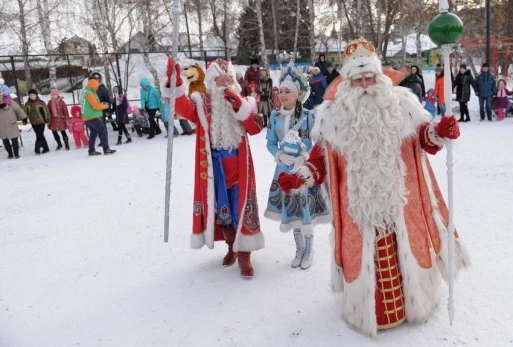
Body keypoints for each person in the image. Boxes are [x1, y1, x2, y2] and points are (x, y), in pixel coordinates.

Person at [277, 39, 469, 337]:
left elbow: (424, 137)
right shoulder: (333, 117)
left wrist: (439, 132)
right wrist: (301, 175)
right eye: (358, 79)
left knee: (409, 248)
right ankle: (367, 310)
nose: (365, 84)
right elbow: (320, 160)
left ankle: (417, 301)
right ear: (347, 81)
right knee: (365, 257)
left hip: (402, 202)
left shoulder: (403, 105)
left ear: (379, 77)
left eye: (369, 77)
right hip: (358, 206)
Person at [161, 58, 264, 279]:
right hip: (213, 170)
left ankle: (244, 254)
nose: (225, 83)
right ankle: (230, 246)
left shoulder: (245, 101)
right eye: (220, 79)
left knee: (240, 208)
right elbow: (180, 107)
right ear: (211, 82)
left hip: (239, 168)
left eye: (228, 78)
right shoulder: (202, 104)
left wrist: (236, 102)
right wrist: (174, 83)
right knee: (220, 210)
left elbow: (255, 127)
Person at [265, 62, 329, 270]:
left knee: (306, 210)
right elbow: (271, 142)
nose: (282, 95)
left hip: (304, 171)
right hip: (284, 170)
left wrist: (304, 157)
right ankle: (299, 249)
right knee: (292, 211)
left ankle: (309, 249)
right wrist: (280, 155)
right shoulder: (275, 117)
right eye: (281, 91)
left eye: (287, 91)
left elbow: (317, 142)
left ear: (298, 93)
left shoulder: (309, 116)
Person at [81, 77, 116, 155]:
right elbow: (95, 107)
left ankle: (91, 150)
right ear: (93, 86)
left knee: (93, 133)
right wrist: (105, 106)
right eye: (96, 86)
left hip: (88, 116)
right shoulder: (89, 93)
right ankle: (106, 149)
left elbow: (91, 105)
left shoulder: (86, 91)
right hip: (92, 116)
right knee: (103, 131)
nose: (97, 88)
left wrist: (101, 104)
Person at [23, 89, 50, 154]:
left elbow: (46, 111)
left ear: (36, 95)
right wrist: (24, 120)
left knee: (39, 134)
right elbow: (25, 113)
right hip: (33, 122)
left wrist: (47, 119)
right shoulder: (27, 104)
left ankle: (37, 149)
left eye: (33, 95)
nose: (32, 96)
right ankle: (46, 148)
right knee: (40, 135)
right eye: (30, 95)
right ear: (29, 96)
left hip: (41, 121)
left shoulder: (41, 102)